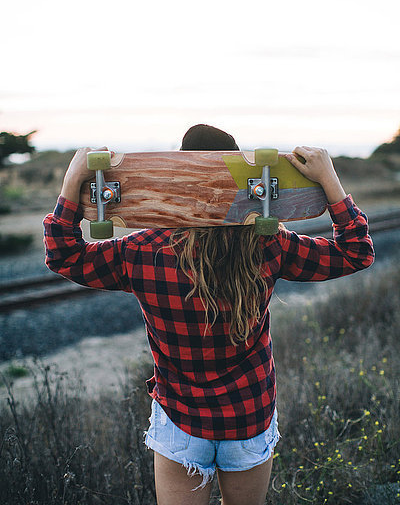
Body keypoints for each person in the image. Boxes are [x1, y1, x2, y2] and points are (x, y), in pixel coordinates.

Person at [43, 124, 374, 505]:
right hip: (249, 415)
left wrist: (71, 183)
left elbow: (64, 255)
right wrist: (329, 179)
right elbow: (355, 252)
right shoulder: (268, 244)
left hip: (180, 419)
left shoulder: (143, 251)